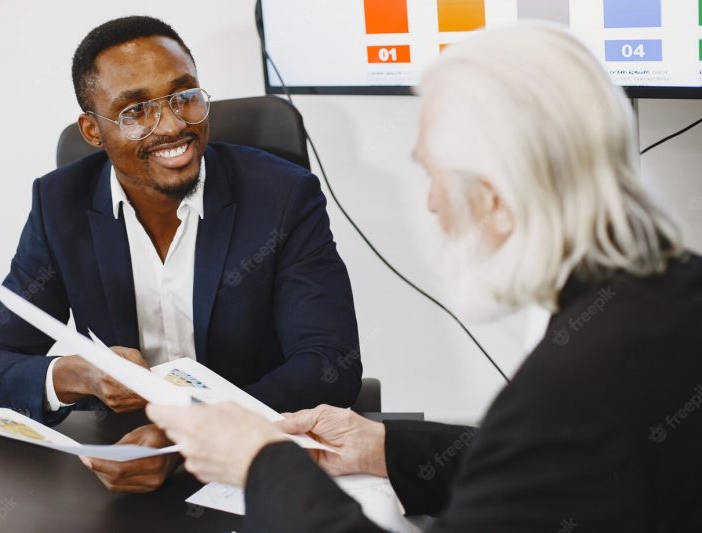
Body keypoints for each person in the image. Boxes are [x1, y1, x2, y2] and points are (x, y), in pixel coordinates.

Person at [146, 23, 702, 531]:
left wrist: (262, 466)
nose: (433, 204)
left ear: (496, 200)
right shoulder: (672, 293)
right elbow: (551, 471)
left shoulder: (572, 388)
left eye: (433, 175)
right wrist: (383, 448)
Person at [0, 16, 361, 493]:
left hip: (255, 460)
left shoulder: (283, 196)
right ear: (92, 130)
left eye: (183, 96)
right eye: (135, 111)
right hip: (120, 460)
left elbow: (330, 363)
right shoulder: (59, 205)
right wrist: (76, 373)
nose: (172, 126)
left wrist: (185, 436)